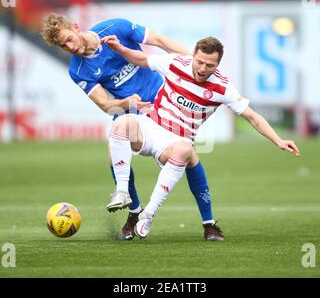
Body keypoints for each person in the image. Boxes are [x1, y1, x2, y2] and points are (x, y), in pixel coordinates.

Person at [40, 13, 223, 241]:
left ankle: (209, 224)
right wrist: (124, 103)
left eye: (68, 39)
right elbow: (105, 105)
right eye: (62, 46)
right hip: (130, 111)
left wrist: (193, 65)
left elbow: (160, 41)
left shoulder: (116, 27)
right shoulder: (77, 71)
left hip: (162, 101)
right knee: (114, 151)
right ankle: (134, 212)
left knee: (188, 156)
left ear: (76, 27)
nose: (69, 47)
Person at [103, 34, 301, 239]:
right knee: (120, 123)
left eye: (210, 65)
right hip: (150, 127)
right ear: (193, 56)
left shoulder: (223, 87)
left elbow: (252, 116)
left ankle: (149, 214)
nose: (202, 68)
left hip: (175, 141)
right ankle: (122, 192)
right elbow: (141, 59)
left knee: (186, 151)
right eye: (199, 62)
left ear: (218, 64)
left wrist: (278, 140)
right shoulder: (176, 63)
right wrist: (119, 48)